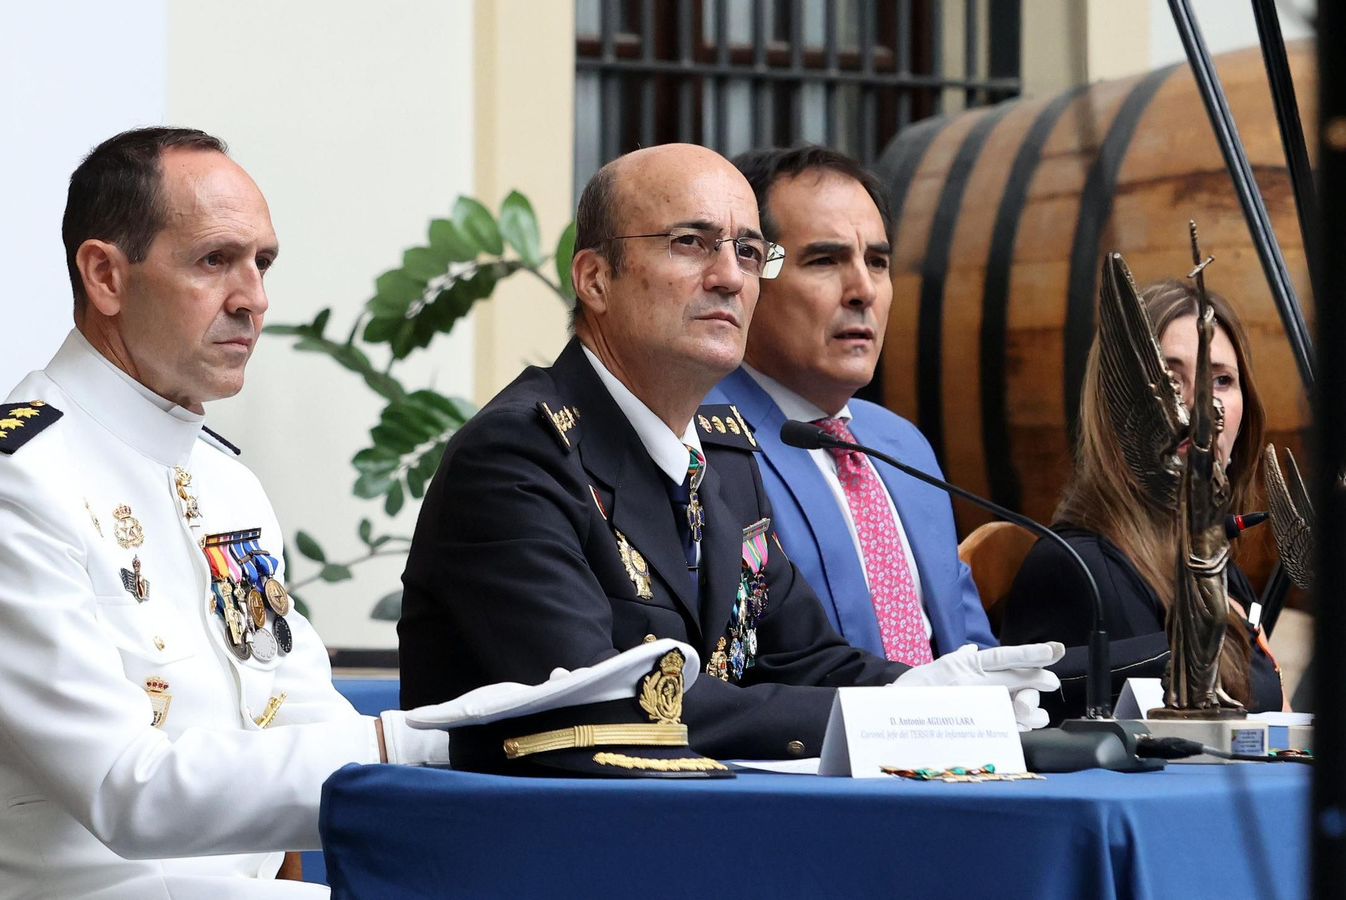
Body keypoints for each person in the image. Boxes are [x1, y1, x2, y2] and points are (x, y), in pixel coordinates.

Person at [0, 127, 444, 900]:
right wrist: (412, 744)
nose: (253, 297)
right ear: (106, 277)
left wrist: (479, 743)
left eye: (262, 263)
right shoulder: (3, 493)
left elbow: (305, 715)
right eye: (215, 260)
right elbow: (127, 790)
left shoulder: (224, 484)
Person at [397, 143, 1062, 762]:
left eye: (748, 251)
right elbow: (618, 707)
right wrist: (896, 714)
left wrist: (934, 693)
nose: (730, 278)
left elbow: (804, 661)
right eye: (690, 243)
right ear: (596, 279)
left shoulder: (724, 456)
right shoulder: (520, 457)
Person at [708, 145, 994, 664]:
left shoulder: (901, 444)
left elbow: (970, 645)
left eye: (878, 262)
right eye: (824, 260)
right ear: (748, 277)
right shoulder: (703, 443)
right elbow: (740, 669)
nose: (863, 289)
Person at [1001, 277, 1284, 720]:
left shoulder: (1217, 563)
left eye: (1222, 381)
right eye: (1172, 381)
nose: (1201, 407)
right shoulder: (1082, 572)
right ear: (1118, 405)